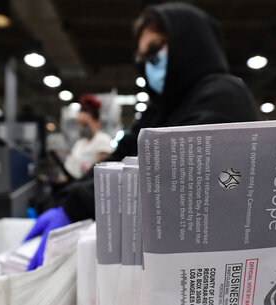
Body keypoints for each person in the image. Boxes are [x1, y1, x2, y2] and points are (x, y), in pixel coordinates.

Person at [24, 2, 258, 270]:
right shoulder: (158, 111)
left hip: (211, 260)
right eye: (142, 58)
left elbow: (172, 176)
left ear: (191, 43)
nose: (148, 64)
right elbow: (118, 157)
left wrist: (75, 207)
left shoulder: (222, 94)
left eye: (155, 49)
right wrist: (63, 199)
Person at [63, 95, 114, 179]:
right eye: (79, 124)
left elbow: (98, 173)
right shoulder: (79, 143)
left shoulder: (102, 140)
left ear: (97, 123)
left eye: (85, 124)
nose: (81, 128)